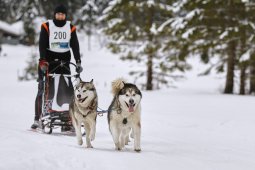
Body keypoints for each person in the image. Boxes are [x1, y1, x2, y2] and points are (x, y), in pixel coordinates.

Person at [31, 4, 83, 129]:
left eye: (63, 14)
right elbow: (42, 44)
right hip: (47, 61)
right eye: (58, 14)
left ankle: (67, 117)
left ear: (65, 15)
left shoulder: (70, 27)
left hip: (64, 61)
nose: (60, 16)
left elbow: (75, 45)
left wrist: (78, 61)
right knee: (43, 87)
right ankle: (37, 118)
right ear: (55, 14)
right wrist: (43, 60)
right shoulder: (47, 26)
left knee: (67, 88)